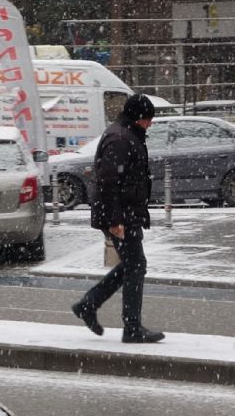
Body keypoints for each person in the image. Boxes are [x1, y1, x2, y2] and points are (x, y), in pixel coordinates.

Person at [71, 93, 165, 343]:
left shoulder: (127, 134)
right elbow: (108, 182)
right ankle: (131, 327)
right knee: (136, 266)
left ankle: (89, 304)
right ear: (137, 117)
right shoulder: (120, 139)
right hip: (119, 214)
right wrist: (115, 220)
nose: (150, 124)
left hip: (125, 212)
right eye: (147, 119)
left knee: (133, 265)